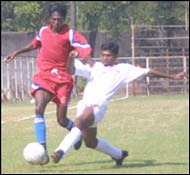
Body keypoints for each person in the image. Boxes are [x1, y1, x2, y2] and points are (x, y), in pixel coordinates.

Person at [50, 42, 187, 166]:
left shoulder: (123, 69)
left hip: (98, 106)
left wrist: (173, 76)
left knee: (78, 123)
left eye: (108, 56)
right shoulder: (95, 67)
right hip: (84, 105)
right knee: (90, 142)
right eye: (103, 55)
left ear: (115, 56)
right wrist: (70, 58)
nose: (105, 58)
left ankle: (60, 152)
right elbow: (70, 70)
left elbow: (148, 72)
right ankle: (118, 155)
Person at [4, 3, 92, 165]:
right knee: (39, 108)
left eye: (59, 19)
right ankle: (42, 150)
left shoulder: (70, 34)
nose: (56, 22)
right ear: (50, 19)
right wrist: (16, 52)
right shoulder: (44, 31)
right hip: (44, 77)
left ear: (64, 20)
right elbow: (34, 44)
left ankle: (75, 132)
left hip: (63, 80)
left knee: (61, 120)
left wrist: (79, 53)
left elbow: (85, 46)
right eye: (53, 19)